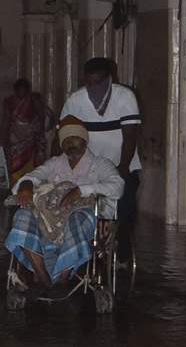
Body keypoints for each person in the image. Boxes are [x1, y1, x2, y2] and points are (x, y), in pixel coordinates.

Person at [4, 118, 124, 298]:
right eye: (66, 140)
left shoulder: (100, 164)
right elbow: (32, 177)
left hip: (84, 214)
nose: (70, 143)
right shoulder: (54, 163)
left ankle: (62, 280)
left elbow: (117, 187)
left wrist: (82, 190)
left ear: (85, 140)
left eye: (75, 138)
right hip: (51, 216)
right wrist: (26, 184)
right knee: (22, 215)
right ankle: (45, 281)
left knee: (76, 219)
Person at [60, 57, 141, 257]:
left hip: (122, 165)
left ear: (108, 79)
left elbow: (129, 136)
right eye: (89, 83)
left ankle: (121, 254)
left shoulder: (124, 97)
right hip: (89, 167)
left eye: (98, 82)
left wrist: (122, 167)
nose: (93, 87)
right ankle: (83, 254)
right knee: (82, 210)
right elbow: (63, 135)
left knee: (122, 212)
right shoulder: (76, 101)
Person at [0, 78, 49, 187]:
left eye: (24, 92)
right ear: (15, 91)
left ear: (28, 91)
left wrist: (34, 129)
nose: (21, 95)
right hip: (15, 140)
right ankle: (15, 187)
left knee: (32, 164)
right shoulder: (9, 102)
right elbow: (5, 121)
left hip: (32, 139)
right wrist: (2, 140)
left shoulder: (33, 100)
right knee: (15, 164)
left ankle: (30, 186)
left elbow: (41, 118)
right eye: (19, 92)